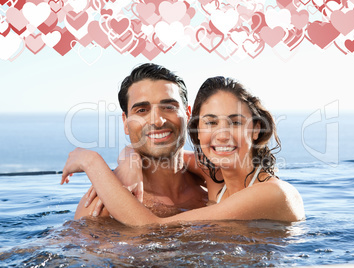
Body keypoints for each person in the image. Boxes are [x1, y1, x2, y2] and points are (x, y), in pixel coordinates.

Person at [63, 76, 305, 225]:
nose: (222, 134)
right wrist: (130, 160)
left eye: (235, 122)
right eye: (211, 122)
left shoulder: (273, 193)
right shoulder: (214, 174)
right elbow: (175, 160)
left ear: (255, 129)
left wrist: (91, 161)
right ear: (198, 128)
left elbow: (150, 225)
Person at [73, 63, 208, 219]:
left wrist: (130, 158)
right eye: (142, 110)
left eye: (169, 107)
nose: (158, 121)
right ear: (125, 121)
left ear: (187, 114)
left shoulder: (216, 185)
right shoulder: (103, 206)